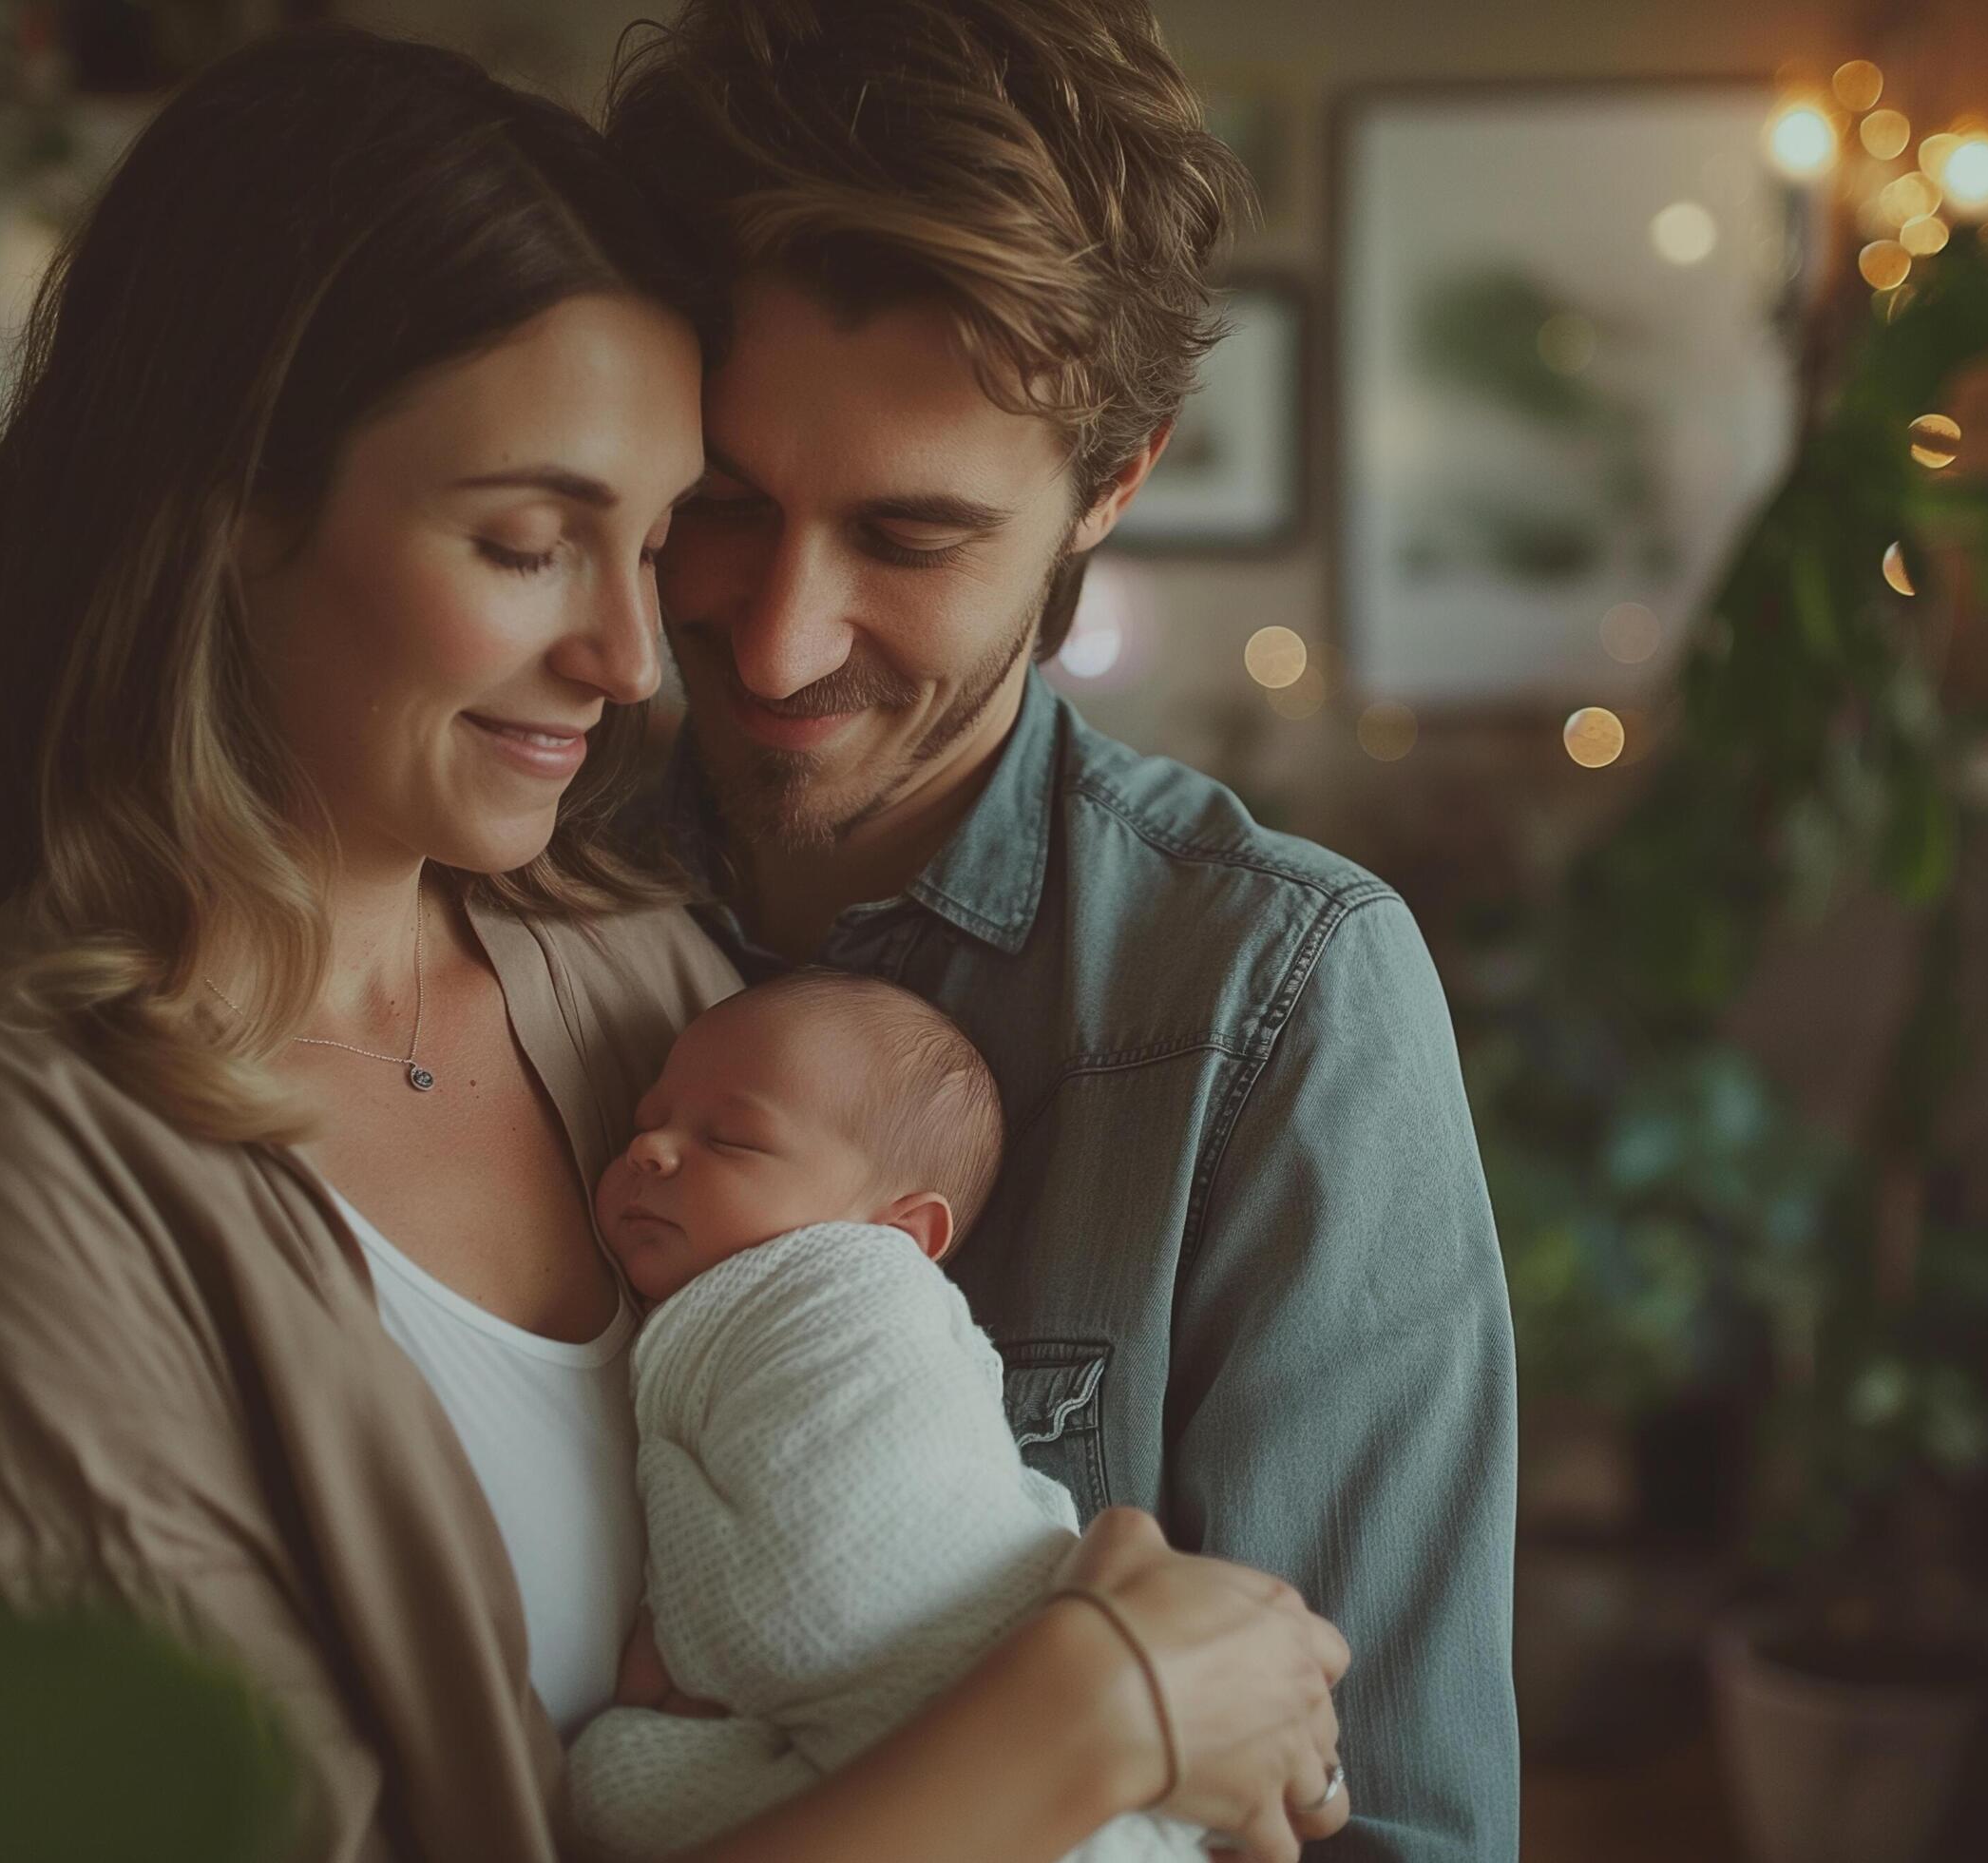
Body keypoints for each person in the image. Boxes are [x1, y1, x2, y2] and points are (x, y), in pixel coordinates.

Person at [0, 28, 1348, 1863]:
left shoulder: (630, 968)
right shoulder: (10, 1180)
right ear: (230, 521)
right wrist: (1090, 1718)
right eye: (531, 543)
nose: (640, 661)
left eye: (649, 536)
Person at [603, 6, 1520, 1857]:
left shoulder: (1274, 1002)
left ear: (1114, 479)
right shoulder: (493, 894)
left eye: (913, 535)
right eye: (719, 502)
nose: (778, 642)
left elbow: (1388, 1833)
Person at [566, 971, 1203, 1861]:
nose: (653, 1151)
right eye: (645, 1122)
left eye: (733, 1139)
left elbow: (813, 1594)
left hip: (946, 1657)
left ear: (901, 1234)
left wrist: (680, 1624)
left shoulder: (854, 1296)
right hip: (976, 1772)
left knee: (611, 1779)